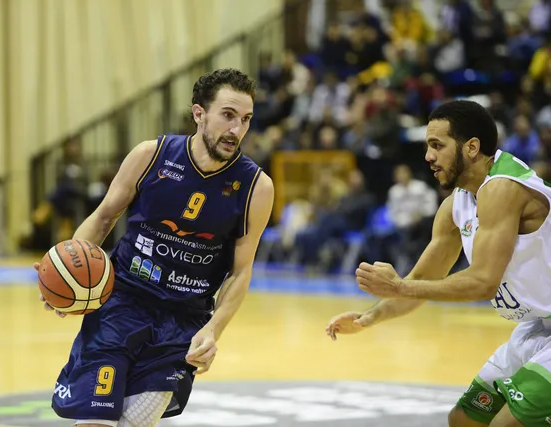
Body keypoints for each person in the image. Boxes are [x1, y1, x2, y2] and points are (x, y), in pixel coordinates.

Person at [34, 68, 274, 427]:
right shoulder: (151, 155)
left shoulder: (256, 187)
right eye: (228, 115)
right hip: (120, 304)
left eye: (245, 119)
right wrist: (64, 273)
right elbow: (103, 217)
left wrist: (213, 330)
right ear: (199, 114)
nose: (237, 129)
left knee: (134, 423)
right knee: (95, 422)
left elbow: (241, 271)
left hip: (182, 321)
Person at [326, 100, 551, 427]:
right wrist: (369, 317)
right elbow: (423, 278)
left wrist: (399, 286)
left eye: (437, 145)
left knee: (506, 424)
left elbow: (483, 283)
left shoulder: (503, 187)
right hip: (538, 325)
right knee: (463, 419)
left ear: (471, 147)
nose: (428, 156)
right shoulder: (457, 203)